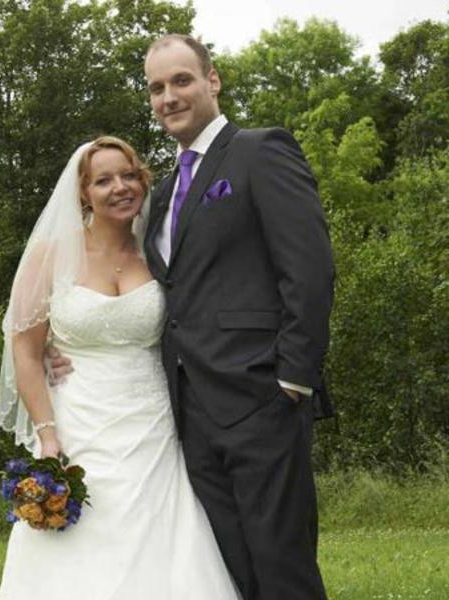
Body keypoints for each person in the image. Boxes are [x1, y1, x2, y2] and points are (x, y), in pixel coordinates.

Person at [0, 136, 241, 599]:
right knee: (81, 539)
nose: (120, 187)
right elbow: (25, 351)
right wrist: (47, 435)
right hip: (79, 421)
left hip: (154, 423)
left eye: (129, 175)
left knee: (162, 534)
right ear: (83, 193)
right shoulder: (51, 254)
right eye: (104, 180)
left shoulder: (160, 252)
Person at [142, 34, 335, 600]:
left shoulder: (259, 150)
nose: (169, 97)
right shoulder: (164, 189)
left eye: (181, 80)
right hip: (191, 411)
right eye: (157, 88)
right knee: (230, 569)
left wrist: (293, 380)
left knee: (281, 565)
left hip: (262, 398)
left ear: (212, 80)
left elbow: (309, 269)